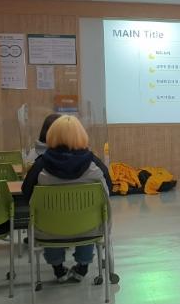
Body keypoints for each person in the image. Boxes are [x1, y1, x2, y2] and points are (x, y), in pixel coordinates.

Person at [21, 115, 112, 284]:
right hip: (89, 229)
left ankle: (58, 269)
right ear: (81, 135)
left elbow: (26, 194)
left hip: (49, 230)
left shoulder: (40, 165)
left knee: (48, 218)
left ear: (51, 135)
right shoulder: (95, 164)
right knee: (89, 215)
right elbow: (108, 192)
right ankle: (83, 266)